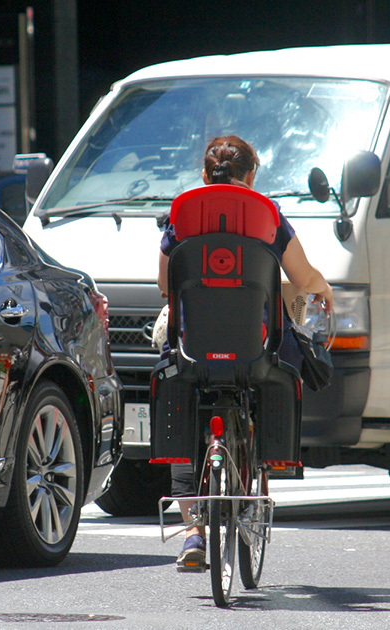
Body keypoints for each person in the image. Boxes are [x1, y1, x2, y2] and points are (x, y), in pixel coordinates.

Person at [157, 135, 333, 571]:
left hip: (193, 346)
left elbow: (164, 286)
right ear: (252, 175)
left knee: (183, 413)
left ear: (204, 173)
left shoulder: (179, 213)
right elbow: (302, 275)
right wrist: (322, 287)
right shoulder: (268, 214)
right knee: (274, 374)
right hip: (255, 347)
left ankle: (193, 534)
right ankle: (259, 471)